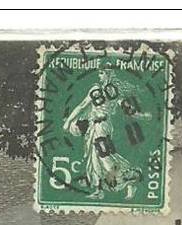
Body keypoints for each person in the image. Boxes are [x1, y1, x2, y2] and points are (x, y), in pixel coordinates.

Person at [62, 62, 145, 201]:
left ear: (109, 74)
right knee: (94, 157)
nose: (100, 76)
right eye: (99, 73)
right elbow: (82, 106)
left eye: (102, 73)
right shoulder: (95, 89)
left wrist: (137, 114)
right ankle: (98, 189)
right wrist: (68, 121)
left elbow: (124, 105)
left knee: (104, 156)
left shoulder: (113, 91)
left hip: (102, 126)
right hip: (93, 126)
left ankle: (129, 180)